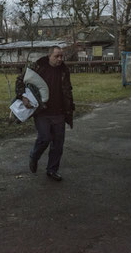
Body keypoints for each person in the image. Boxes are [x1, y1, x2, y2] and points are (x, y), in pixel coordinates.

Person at [16, 46, 75, 181]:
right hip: (42, 111)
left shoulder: (64, 70)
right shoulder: (38, 67)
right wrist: (23, 96)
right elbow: (19, 81)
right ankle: (34, 156)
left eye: (62, 56)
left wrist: (69, 108)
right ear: (49, 56)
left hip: (59, 112)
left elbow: (67, 90)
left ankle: (52, 170)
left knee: (58, 144)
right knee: (44, 138)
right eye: (57, 56)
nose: (60, 59)